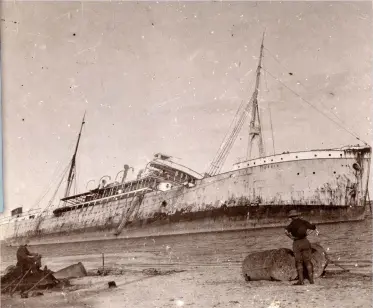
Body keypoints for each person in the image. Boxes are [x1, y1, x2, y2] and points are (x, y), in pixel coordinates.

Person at [285, 210, 319, 285]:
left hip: (296, 243)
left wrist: (292, 237)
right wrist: (307, 234)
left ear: (292, 217)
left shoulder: (291, 224)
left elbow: (286, 232)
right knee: (308, 261)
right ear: (297, 215)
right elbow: (313, 227)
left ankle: (301, 281)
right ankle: (311, 280)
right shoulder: (304, 222)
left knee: (299, 262)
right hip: (305, 241)